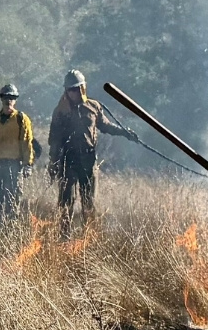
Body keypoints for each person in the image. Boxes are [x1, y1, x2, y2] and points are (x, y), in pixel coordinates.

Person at [47, 70, 141, 237]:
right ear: (66, 91)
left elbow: (105, 126)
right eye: (70, 89)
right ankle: (63, 237)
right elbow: (54, 139)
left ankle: (89, 238)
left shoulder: (93, 106)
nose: (73, 93)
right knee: (65, 203)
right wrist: (53, 162)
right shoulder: (60, 110)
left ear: (83, 88)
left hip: (88, 160)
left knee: (89, 202)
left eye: (76, 89)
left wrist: (125, 132)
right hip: (68, 160)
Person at [0, 85, 35, 230]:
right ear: (1, 99)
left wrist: (28, 164)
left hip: (14, 166)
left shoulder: (21, 119)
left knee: (12, 203)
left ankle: (10, 234)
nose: (8, 100)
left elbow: (26, 142)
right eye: (5, 97)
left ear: (15, 100)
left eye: (11, 98)